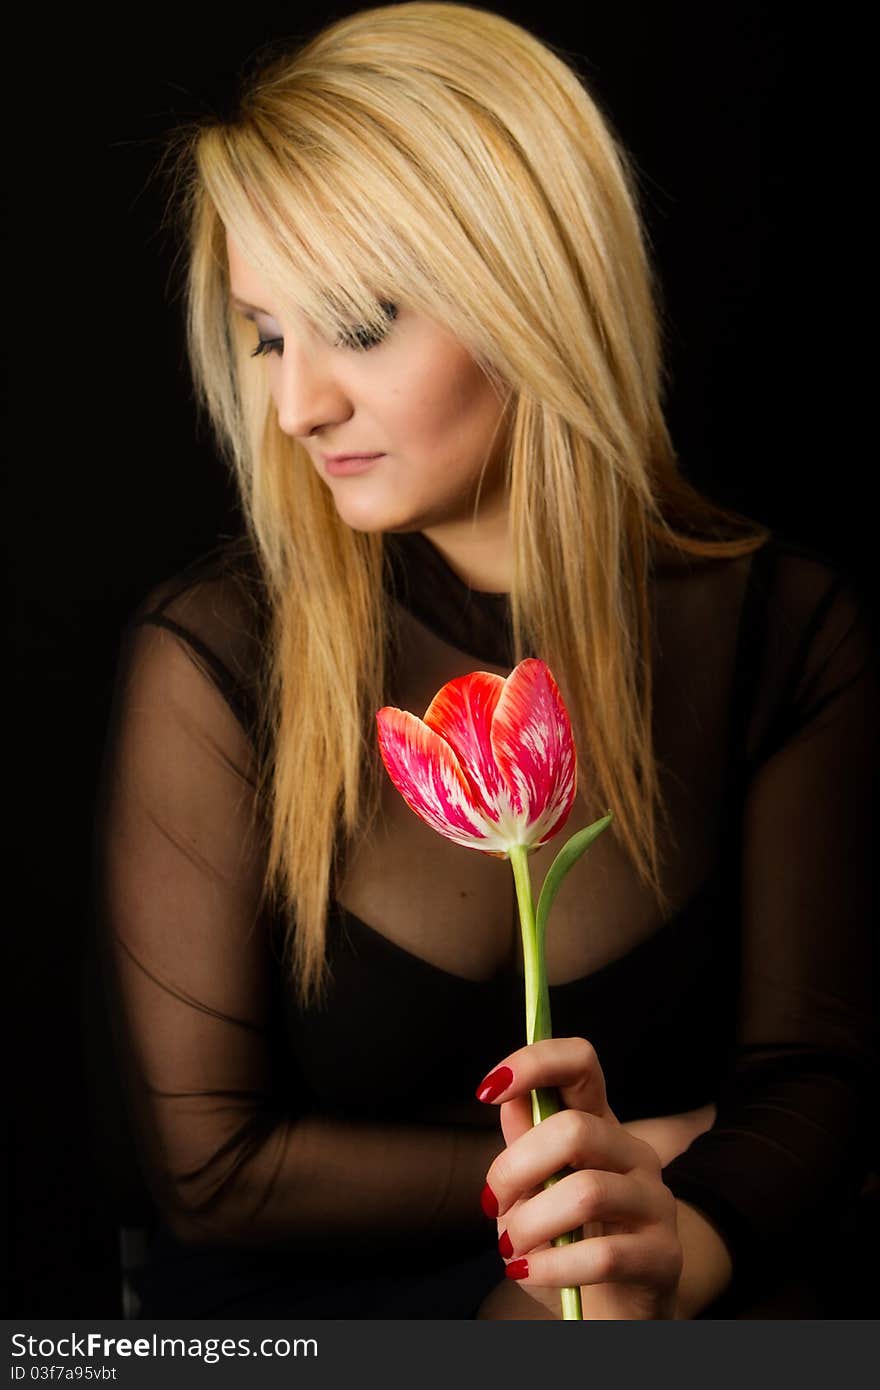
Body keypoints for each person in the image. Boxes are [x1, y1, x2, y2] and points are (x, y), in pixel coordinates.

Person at [92, 2, 877, 1319]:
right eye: (268, 332)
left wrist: (676, 1241)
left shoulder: (784, 630)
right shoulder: (220, 659)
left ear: (534, 290)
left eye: (355, 321)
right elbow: (213, 1170)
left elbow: (817, 1074)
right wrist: (591, 1197)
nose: (294, 407)